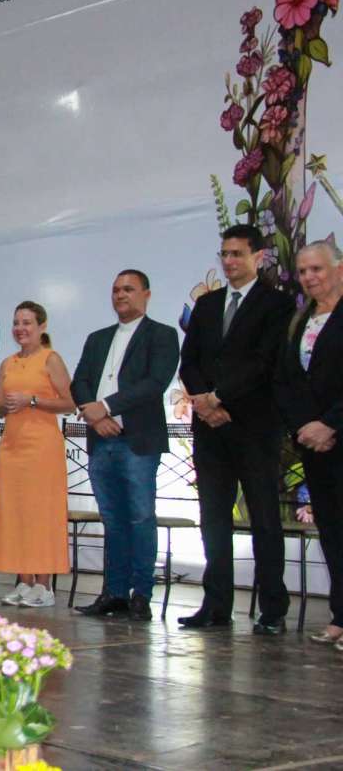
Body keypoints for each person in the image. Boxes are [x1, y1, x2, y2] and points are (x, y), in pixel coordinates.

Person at [179, 224, 294, 634]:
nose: (228, 262)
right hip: (210, 428)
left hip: (254, 426)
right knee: (213, 518)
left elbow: (265, 362)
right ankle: (216, 605)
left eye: (237, 254)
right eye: (224, 254)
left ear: (258, 257)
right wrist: (204, 401)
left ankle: (272, 609)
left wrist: (220, 397)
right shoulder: (208, 304)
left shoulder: (277, 304)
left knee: (264, 518)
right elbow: (189, 360)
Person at [71, 270, 179, 622]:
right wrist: (96, 417)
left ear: (146, 294)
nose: (120, 295)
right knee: (112, 519)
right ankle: (114, 592)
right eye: (116, 289)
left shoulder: (161, 334)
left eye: (129, 289)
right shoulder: (98, 338)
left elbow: (155, 383)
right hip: (101, 439)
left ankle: (141, 595)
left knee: (141, 517)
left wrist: (106, 406)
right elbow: (80, 381)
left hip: (138, 440)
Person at [275, 241, 343, 648]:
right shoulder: (302, 319)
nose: (308, 277)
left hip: (337, 433)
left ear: (339, 269)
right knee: (332, 530)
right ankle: (340, 617)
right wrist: (304, 425)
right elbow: (286, 380)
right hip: (315, 445)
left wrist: (330, 424)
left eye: (316, 268)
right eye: (302, 271)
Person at [0, 302, 75, 608]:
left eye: (27, 323)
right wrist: (4, 406)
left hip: (42, 448)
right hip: (12, 446)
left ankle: (44, 585)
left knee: (41, 513)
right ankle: (24, 581)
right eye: (16, 323)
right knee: (15, 513)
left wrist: (33, 400)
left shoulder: (50, 359)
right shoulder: (8, 363)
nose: (20, 329)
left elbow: (70, 402)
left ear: (41, 326)